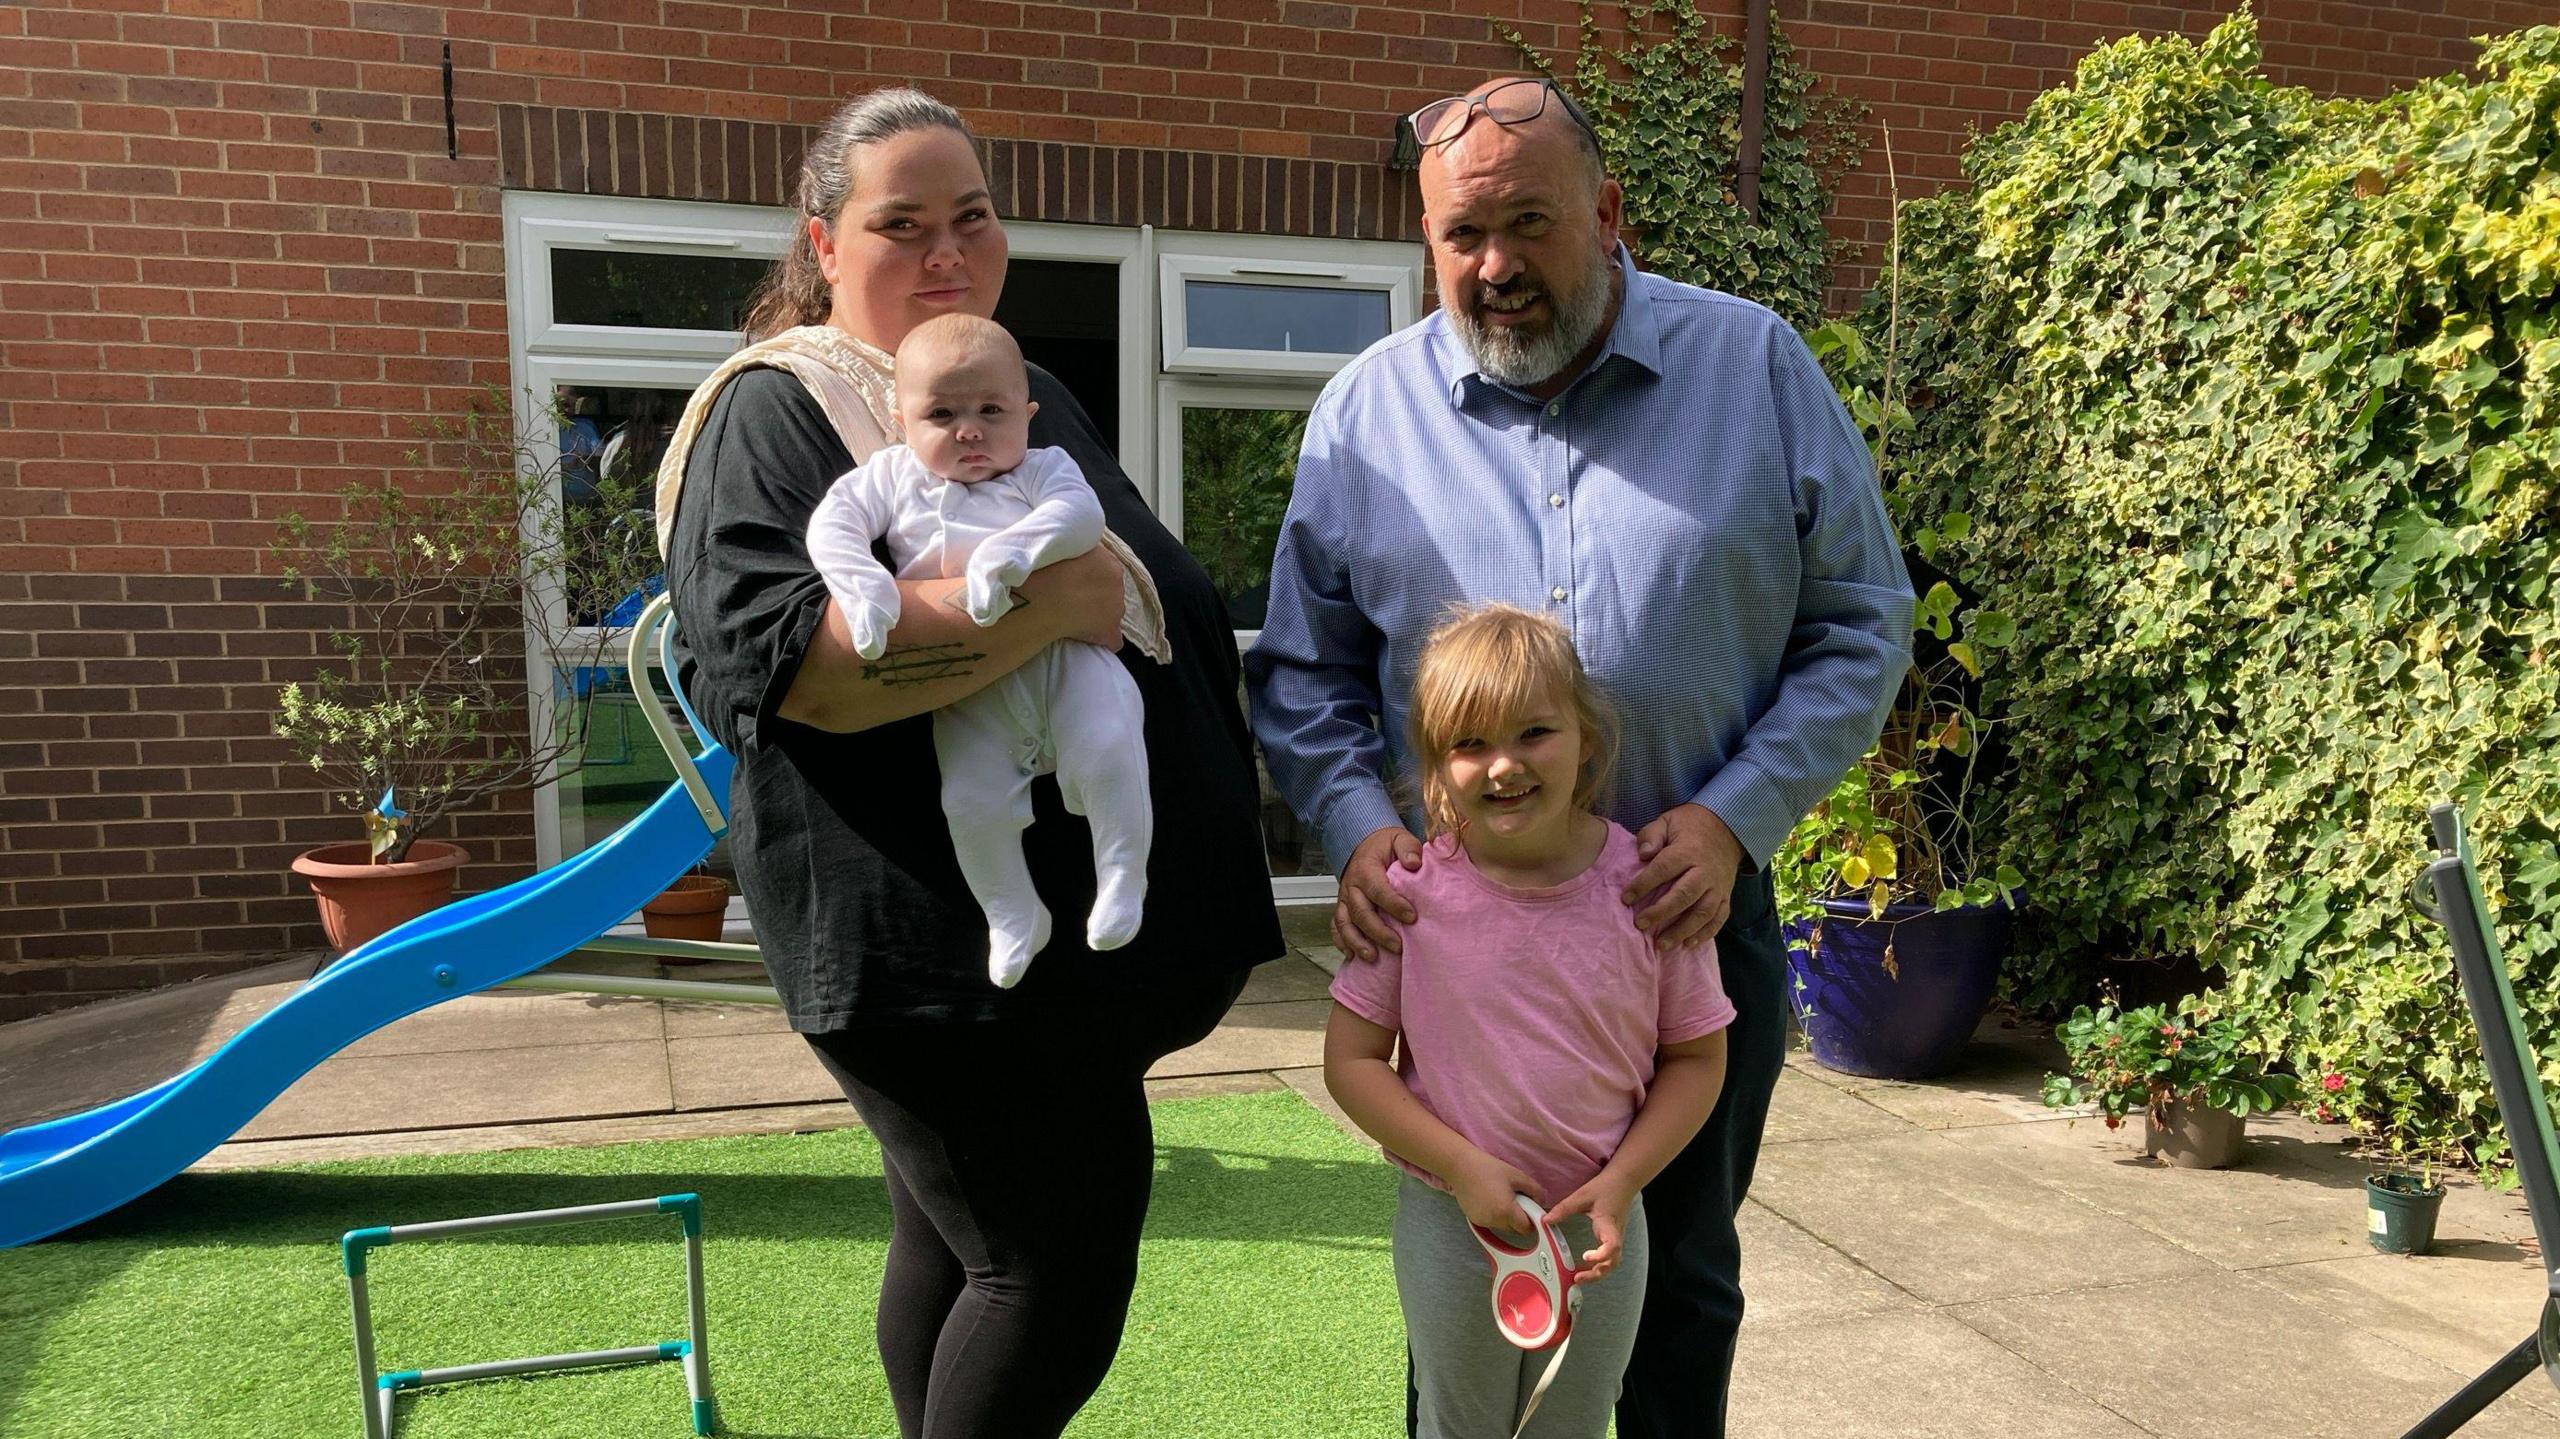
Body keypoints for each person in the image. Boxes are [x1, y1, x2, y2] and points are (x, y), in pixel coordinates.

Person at [1246, 76, 1914, 1439]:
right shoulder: (1366, 416)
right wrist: (1355, 818)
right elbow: (1302, 670)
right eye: (1459, 238)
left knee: (1679, 1284)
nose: (1493, 268)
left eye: (1528, 225)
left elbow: (1862, 620)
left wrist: (1739, 816)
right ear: (1424, 243)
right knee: (1471, 1293)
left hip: (1686, 913)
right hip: (1456, 944)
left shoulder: (1755, 366)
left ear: (1608, 215)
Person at [658, 87, 1283, 1439]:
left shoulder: (1017, 382)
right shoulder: (780, 411)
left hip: (1037, 961)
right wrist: (1055, 610)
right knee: (1050, 1261)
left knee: (952, 1247)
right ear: (824, 244)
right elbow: (789, 669)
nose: (946, 249)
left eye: (973, 216)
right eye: (902, 224)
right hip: (937, 958)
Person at [1324, 603, 1733, 1439]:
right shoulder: (1408, 895)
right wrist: (1463, 1165)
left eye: (1534, 731)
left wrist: (1623, 1181)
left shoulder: (1649, 889)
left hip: (1600, 1229)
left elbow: (1697, 1057)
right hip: (1451, 1216)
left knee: (1571, 1426)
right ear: (1436, 763)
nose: (1503, 764)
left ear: (1586, 735)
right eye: (1469, 743)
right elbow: (1351, 1061)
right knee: (1459, 1425)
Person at [806, 313, 1152, 988]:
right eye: (941, 412)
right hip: (971, 690)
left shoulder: (1044, 467)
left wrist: (1010, 554)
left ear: (1026, 415)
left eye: (991, 410)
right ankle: (1013, 912)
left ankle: (1121, 875)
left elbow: (1080, 517)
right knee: (971, 802)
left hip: (1068, 663)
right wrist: (864, 587)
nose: (969, 430)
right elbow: (833, 524)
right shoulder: (890, 476)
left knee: (1111, 747)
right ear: (900, 419)